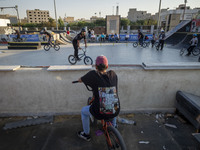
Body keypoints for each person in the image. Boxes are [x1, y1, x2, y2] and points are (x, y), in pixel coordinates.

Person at [75, 55, 120, 141]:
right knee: (112, 102)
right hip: (116, 110)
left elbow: (81, 79)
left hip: (100, 112)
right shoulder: (113, 74)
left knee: (83, 111)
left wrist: (79, 80)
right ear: (107, 66)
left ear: (96, 66)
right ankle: (113, 126)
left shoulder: (93, 74)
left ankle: (86, 134)